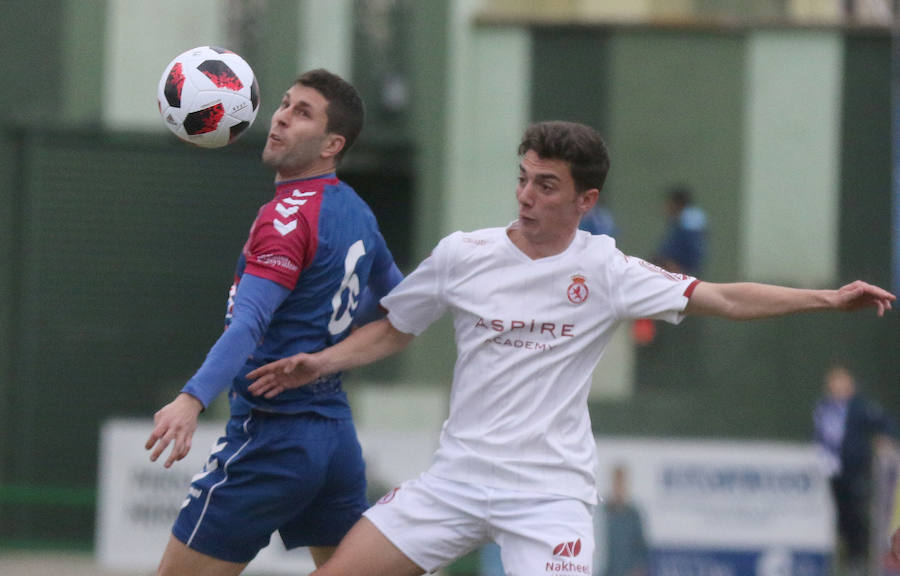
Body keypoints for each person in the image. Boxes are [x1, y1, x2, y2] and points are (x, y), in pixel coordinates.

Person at [246, 120, 895, 576]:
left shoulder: (607, 270)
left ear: (587, 200)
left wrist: (827, 299)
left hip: (548, 493)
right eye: (523, 178)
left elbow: (722, 298)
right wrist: (320, 363)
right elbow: (395, 327)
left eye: (546, 185)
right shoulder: (462, 255)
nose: (527, 196)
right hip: (456, 480)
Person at [144, 68, 403, 576]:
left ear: (333, 144)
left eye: (302, 112)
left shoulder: (285, 219)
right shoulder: (358, 212)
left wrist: (190, 399)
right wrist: (330, 340)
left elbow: (247, 327)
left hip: (271, 437)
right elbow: (401, 304)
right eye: (284, 104)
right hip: (335, 439)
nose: (281, 117)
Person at [813, 362, 898, 575]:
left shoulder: (860, 407)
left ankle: (861, 561)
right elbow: (819, 435)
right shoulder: (824, 407)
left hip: (857, 470)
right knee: (841, 517)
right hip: (833, 472)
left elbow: (885, 423)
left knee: (859, 517)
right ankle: (846, 559)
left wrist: (886, 438)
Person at [596, 465, 648, 576]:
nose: (618, 486)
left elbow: (641, 547)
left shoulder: (633, 515)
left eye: (621, 482)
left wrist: (637, 569)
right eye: (616, 482)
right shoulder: (603, 513)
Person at [653, 184, 706, 277]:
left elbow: (689, 253)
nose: (666, 207)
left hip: (680, 271)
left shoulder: (688, 226)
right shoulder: (680, 222)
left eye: (669, 203)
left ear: (676, 204)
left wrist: (668, 262)